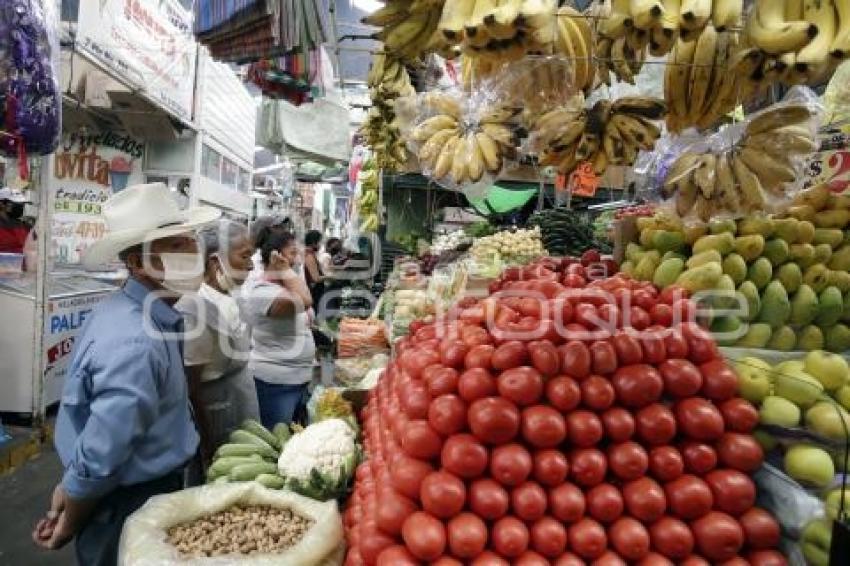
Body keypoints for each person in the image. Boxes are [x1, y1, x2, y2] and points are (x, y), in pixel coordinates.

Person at [31, 183, 220, 565]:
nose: (192, 253)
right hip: (125, 504)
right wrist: (72, 515)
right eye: (175, 245)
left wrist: (68, 491)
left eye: (190, 241)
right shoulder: (137, 342)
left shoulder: (145, 316)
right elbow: (104, 453)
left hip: (129, 494)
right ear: (137, 263)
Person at [177, 220, 259, 463]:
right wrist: (207, 442)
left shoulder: (231, 294)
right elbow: (191, 386)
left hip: (240, 397)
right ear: (215, 262)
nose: (251, 265)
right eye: (244, 256)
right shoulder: (195, 309)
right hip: (217, 411)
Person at [238, 228, 316, 428]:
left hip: (298, 380)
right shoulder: (261, 291)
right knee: (276, 443)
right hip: (276, 384)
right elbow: (305, 301)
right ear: (275, 257)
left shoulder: (288, 285)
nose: (297, 259)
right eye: (292, 253)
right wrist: (285, 270)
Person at [0, 187, 30, 253]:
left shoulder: (25, 226)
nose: (20, 207)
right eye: (16, 203)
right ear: (2, 204)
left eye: (22, 204)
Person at [303, 230, 326, 308]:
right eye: (320, 242)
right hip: (314, 292)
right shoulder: (309, 256)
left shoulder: (309, 254)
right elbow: (316, 278)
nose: (321, 245)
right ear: (313, 242)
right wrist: (331, 277)